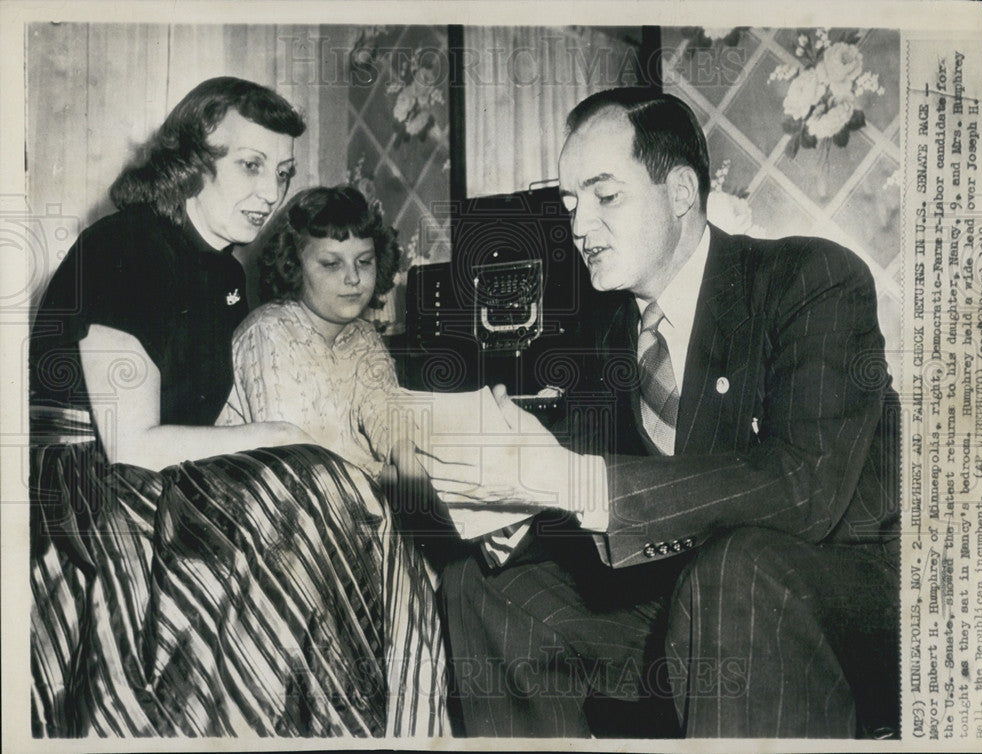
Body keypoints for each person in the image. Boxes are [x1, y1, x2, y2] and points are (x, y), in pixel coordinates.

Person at [438, 87, 900, 738]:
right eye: (570, 205)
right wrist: (496, 504)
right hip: (699, 602)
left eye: (605, 196)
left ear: (681, 192)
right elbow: (592, 496)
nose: (578, 227)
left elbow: (806, 486)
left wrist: (572, 480)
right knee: (481, 585)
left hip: (849, 600)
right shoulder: (601, 338)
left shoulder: (809, 279)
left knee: (736, 571)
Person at [29, 78, 438, 738]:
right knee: (311, 485)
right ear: (190, 161)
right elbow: (131, 445)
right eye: (250, 166)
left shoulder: (224, 274)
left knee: (373, 515)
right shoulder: (126, 245)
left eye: (281, 173)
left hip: (155, 477)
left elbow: (207, 429)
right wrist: (283, 434)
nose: (270, 193)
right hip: (83, 485)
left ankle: (384, 728)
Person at [217, 185, 449, 734]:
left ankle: (407, 728)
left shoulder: (365, 337)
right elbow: (300, 457)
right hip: (273, 520)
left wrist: (420, 474)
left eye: (364, 262)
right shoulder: (268, 329)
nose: (353, 278)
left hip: (353, 514)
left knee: (418, 543)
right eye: (331, 262)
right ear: (293, 267)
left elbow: (392, 423)